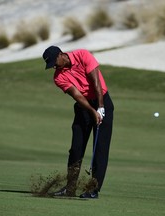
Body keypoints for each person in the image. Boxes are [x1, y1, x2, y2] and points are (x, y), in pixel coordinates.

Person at [42, 46, 114, 199]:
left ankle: (93, 189)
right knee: (76, 148)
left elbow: (96, 81)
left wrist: (100, 107)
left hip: (103, 101)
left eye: (54, 63)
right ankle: (70, 187)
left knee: (100, 149)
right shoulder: (58, 77)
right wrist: (92, 111)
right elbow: (77, 96)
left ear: (61, 55)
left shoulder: (83, 55)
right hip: (83, 107)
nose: (54, 67)